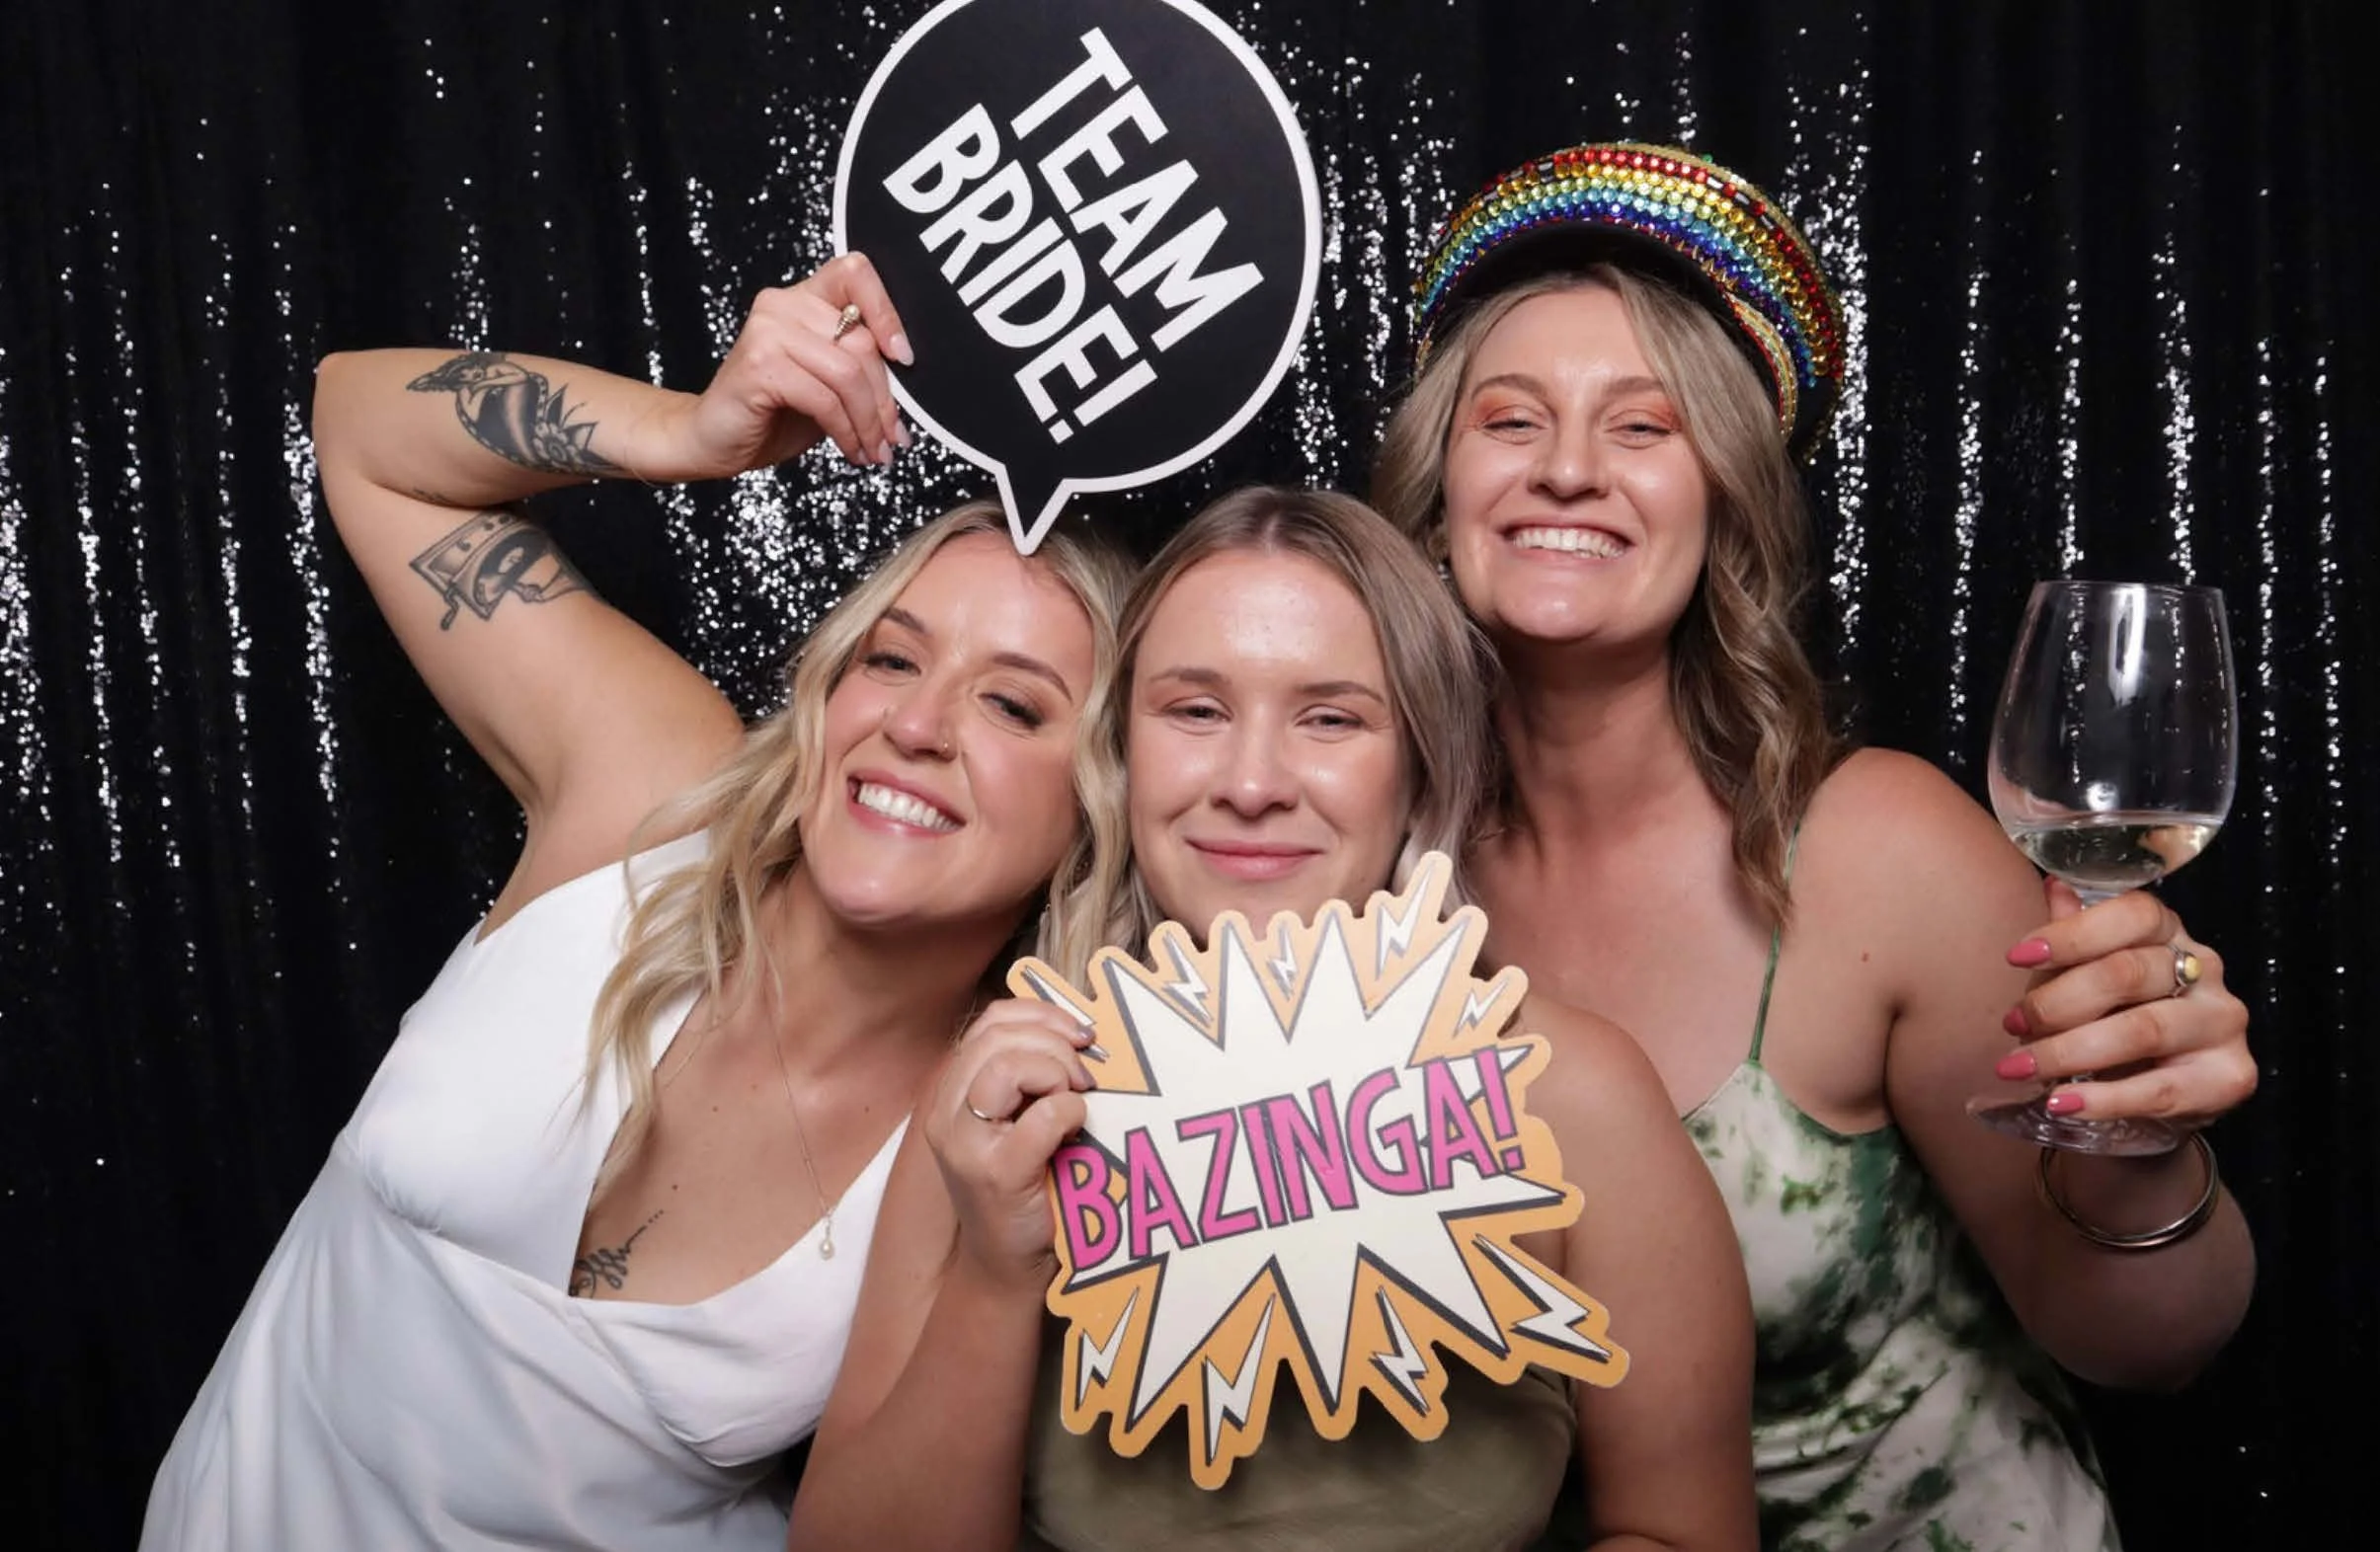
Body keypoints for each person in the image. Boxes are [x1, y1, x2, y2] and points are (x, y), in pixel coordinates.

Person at [139, 254, 1133, 1552]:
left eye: (1013, 705)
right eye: (892, 657)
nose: (918, 726)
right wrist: (689, 429)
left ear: (1091, 806)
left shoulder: (996, 1133)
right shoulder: (655, 799)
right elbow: (361, 425)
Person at [1371, 141, 2258, 1549]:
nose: (1567, 470)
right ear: (1434, 483)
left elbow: (2144, 1346)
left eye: (1644, 427)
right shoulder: (1357, 879)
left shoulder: (1875, 852)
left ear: (1724, 495)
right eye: (1508, 419)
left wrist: (2138, 1143)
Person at [791, 487, 1760, 1551]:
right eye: (1196, 711)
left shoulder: (1566, 1097)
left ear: (1421, 759)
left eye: (1330, 718)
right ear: (1118, 754)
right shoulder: (1003, 1103)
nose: (1251, 783)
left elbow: (1682, 1530)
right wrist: (993, 1265)